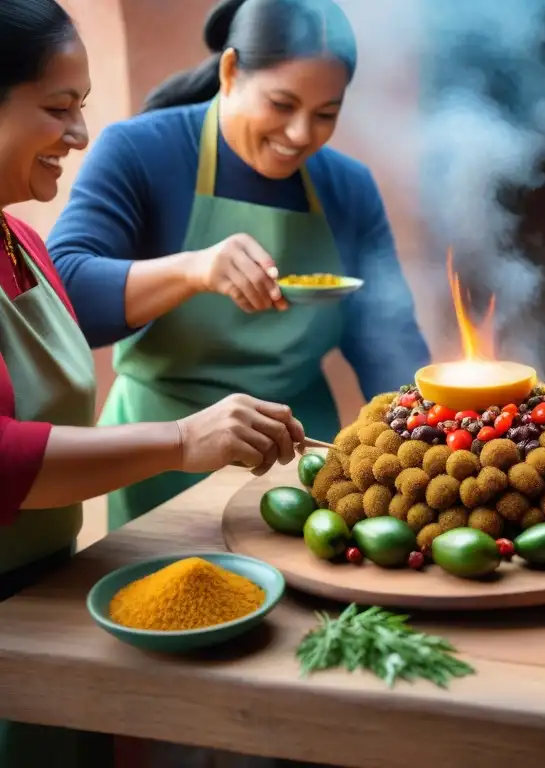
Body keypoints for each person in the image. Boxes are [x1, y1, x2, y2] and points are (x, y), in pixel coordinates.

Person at [0, 2, 307, 765]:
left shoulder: (23, 239)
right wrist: (179, 437)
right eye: (57, 108)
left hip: (52, 590)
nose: (79, 134)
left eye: (83, 107)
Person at [47, 0, 431, 530]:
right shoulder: (140, 151)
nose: (300, 134)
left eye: (325, 114)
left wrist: (437, 440)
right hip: (163, 451)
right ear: (230, 71)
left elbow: (389, 341)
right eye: (281, 103)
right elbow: (63, 296)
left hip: (298, 455)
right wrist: (193, 271)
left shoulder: (347, 187)